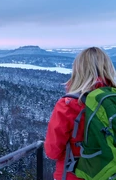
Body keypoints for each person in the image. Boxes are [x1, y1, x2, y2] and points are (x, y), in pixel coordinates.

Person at [44, 47, 116, 180]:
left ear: (78, 70)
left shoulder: (68, 104)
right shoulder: (113, 100)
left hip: (74, 175)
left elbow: (52, 152)